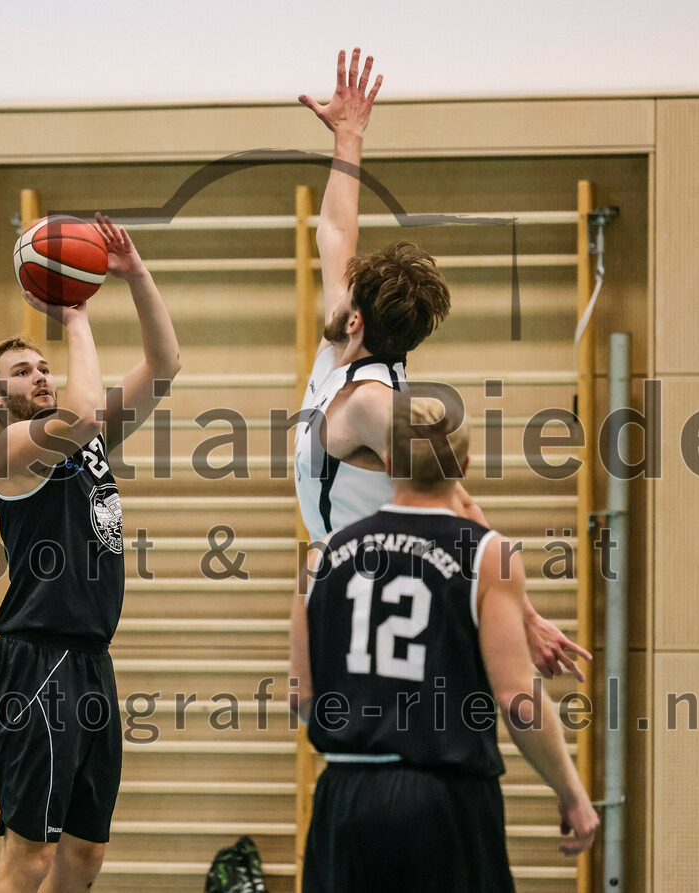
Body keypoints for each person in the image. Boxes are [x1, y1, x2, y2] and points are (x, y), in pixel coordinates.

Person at [295, 48, 589, 681]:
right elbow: (336, 230)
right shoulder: (346, 356)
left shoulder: (372, 404)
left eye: (347, 292)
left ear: (357, 321)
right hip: (350, 582)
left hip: (375, 590)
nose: (336, 285)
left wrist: (526, 613)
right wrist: (349, 136)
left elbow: (458, 501)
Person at [290, 392, 599, 892]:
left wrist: (367, 723)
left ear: (386, 461)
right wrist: (570, 792)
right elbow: (518, 700)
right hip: (443, 802)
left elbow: (301, 697)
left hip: (344, 802)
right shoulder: (487, 554)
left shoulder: (322, 555)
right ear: (465, 464)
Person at [0, 215, 180, 892]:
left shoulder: (82, 441)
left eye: (43, 367)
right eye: (22, 370)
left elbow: (164, 363)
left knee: (85, 855)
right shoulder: (12, 451)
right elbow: (86, 411)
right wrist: (75, 312)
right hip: (36, 657)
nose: (39, 376)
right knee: (28, 856)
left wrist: (136, 274)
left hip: (90, 659)